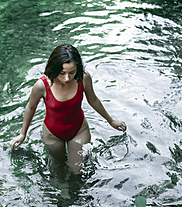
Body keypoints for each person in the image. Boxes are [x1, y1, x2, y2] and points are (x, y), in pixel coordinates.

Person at [10, 44, 126, 181]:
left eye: (72, 72)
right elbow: (30, 107)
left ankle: (79, 193)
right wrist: (23, 134)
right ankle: (63, 194)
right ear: (54, 68)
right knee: (58, 166)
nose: (67, 78)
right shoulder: (42, 85)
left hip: (79, 130)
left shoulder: (83, 78)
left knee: (77, 171)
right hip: (52, 134)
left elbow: (93, 100)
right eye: (62, 73)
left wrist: (111, 120)